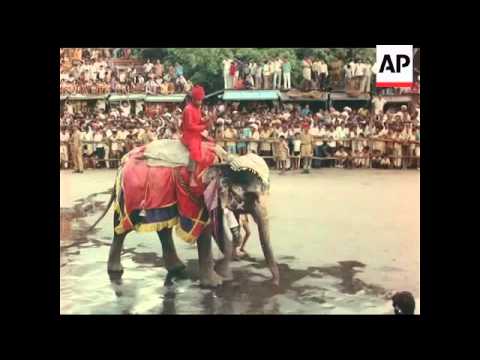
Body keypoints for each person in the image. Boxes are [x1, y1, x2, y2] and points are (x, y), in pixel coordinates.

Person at [181, 85, 210, 187]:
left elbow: (199, 120)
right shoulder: (188, 109)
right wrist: (204, 126)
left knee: (211, 142)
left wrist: (207, 119)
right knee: (195, 152)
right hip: (189, 136)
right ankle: (191, 177)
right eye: (198, 100)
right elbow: (190, 126)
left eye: (201, 100)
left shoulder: (197, 108)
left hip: (196, 134)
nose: (200, 102)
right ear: (193, 99)